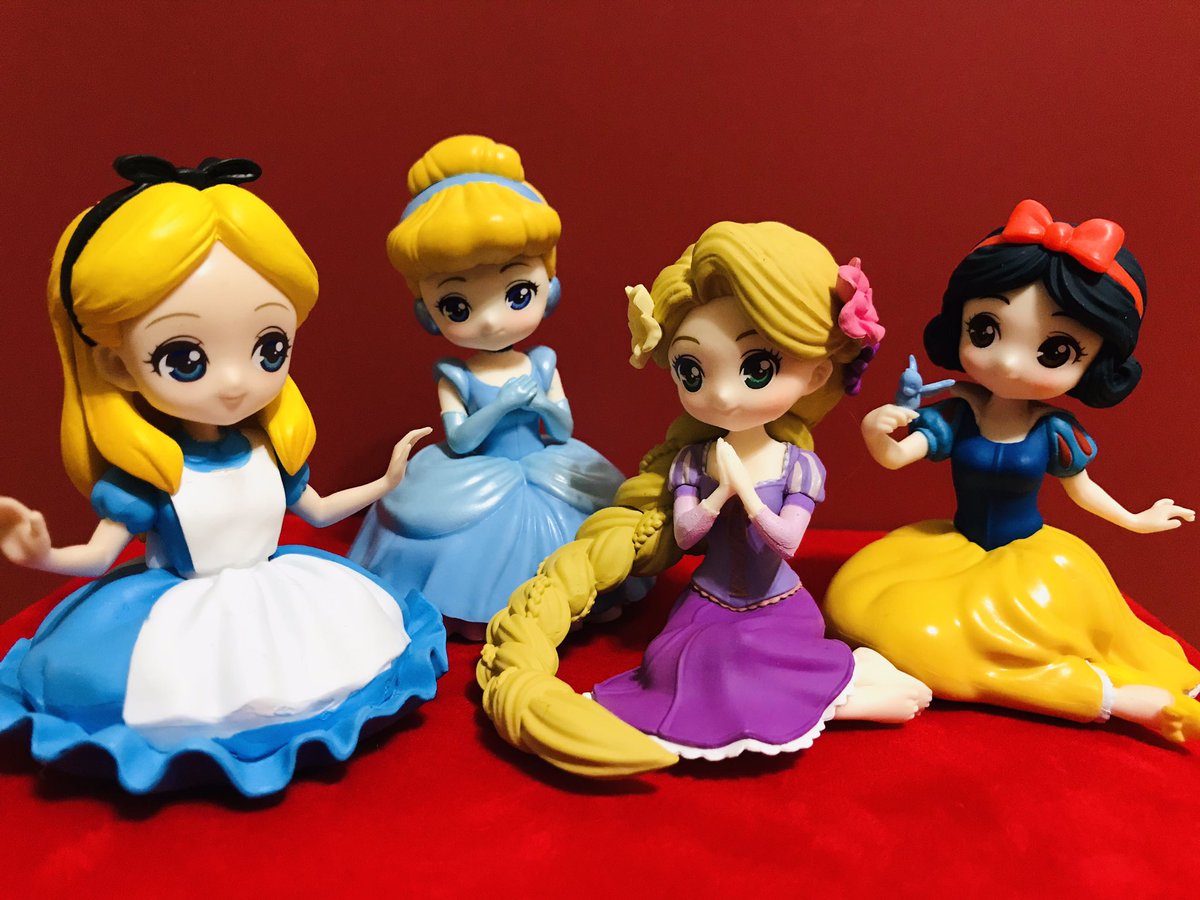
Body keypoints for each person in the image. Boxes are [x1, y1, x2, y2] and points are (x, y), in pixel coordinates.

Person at [0, 155, 447, 796]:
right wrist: (39, 553)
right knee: (173, 696)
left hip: (288, 597)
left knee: (352, 651)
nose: (236, 382)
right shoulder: (152, 475)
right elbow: (98, 558)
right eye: (185, 357)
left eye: (269, 348)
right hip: (182, 624)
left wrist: (386, 481)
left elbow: (318, 510)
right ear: (118, 365)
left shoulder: (267, 448)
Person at [477, 221, 930, 777]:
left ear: (815, 374)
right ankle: (842, 692)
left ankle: (843, 690)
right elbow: (687, 534)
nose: (719, 394)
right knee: (676, 664)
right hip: (707, 599)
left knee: (746, 661)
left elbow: (787, 542)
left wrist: (747, 492)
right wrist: (718, 495)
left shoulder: (796, 465)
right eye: (691, 371)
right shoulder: (693, 460)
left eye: (757, 368)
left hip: (775, 602)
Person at [824, 199, 1199, 742]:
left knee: (1047, 636)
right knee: (871, 613)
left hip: (1033, 564)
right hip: (949, 552)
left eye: (1055, 350)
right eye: (985, 331)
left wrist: (1137, 520)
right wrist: (876, 432)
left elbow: (1082, 490)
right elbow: (896, 457)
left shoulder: (1054, 430)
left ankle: (1110, 693)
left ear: (1095, 362)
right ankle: (1102, 697)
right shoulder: (959, 411)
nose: (1007, 362)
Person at [349, 135, 644, 639]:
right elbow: (462, 439)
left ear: (549, 289)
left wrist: (541, 405)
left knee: (585, 522)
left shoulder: (542, 362)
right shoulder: (456, 375)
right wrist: (502, 405)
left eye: (517, 292)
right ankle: (477, 610)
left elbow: (562, 427)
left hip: (548, 464)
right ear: (428, 312)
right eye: (457, 306)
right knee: (457, 533)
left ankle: (584, 600)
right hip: (474, 474)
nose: (490, 321)